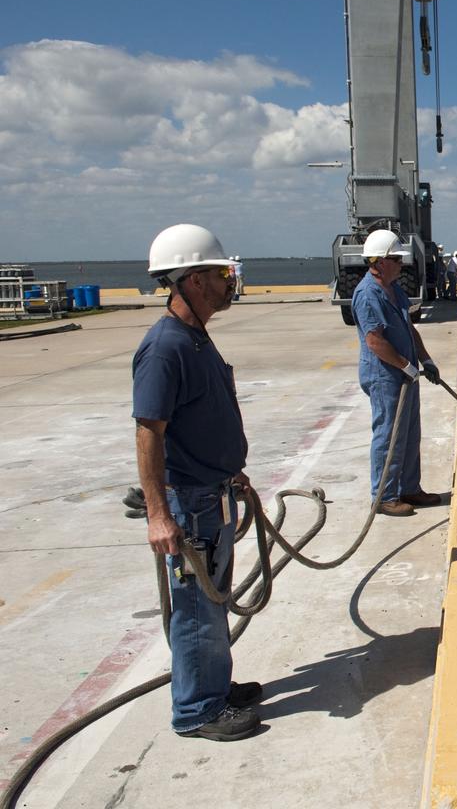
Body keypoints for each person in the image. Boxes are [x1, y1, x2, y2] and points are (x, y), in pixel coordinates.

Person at [133, 223, 260, 741]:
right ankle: (197, 711)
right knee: (195, 609)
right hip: (190, 504)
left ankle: (214, 686)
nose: (229, 280)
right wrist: (159, 513)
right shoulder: (165, 348)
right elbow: (149, 432)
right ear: (192, 280)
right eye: (219, 272)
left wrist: (231, 469)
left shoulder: (196, 337)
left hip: (215, 493)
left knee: (212, 604)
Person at [351, 229, 442, 517]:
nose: (401, 264)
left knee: (410, 432)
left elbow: (408, 328)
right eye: (395, 259)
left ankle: (409, 488)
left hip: (405, 374)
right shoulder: (367, 294)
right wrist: (404, 365)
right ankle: (384, 496)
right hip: (385, 376)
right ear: (378, 262)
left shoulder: (395, 289)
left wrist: (426, 360)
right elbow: (375, 341)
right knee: (389, 434)